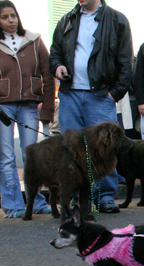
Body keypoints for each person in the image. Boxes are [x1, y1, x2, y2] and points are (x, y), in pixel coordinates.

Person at [49, 0, 133, 214]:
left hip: (100, 93)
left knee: (106, 147)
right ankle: (79, 199)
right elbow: (55, 51)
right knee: (72, 148)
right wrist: (57, 66)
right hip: (70, 93)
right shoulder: (66, 19)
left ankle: (105, 196)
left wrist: (114, 93)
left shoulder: (117, 19)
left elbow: (126, 61)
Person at [0, 0, 54, 218]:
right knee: (6, 156)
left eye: (13, 15)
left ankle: (37, 200)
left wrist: (47, 111)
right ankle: (13, 204)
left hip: (29, 105)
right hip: (2, 107)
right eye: (4, 17)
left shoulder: (33, 39)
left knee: (32, 155)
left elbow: (48, 75)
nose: (11, 20)